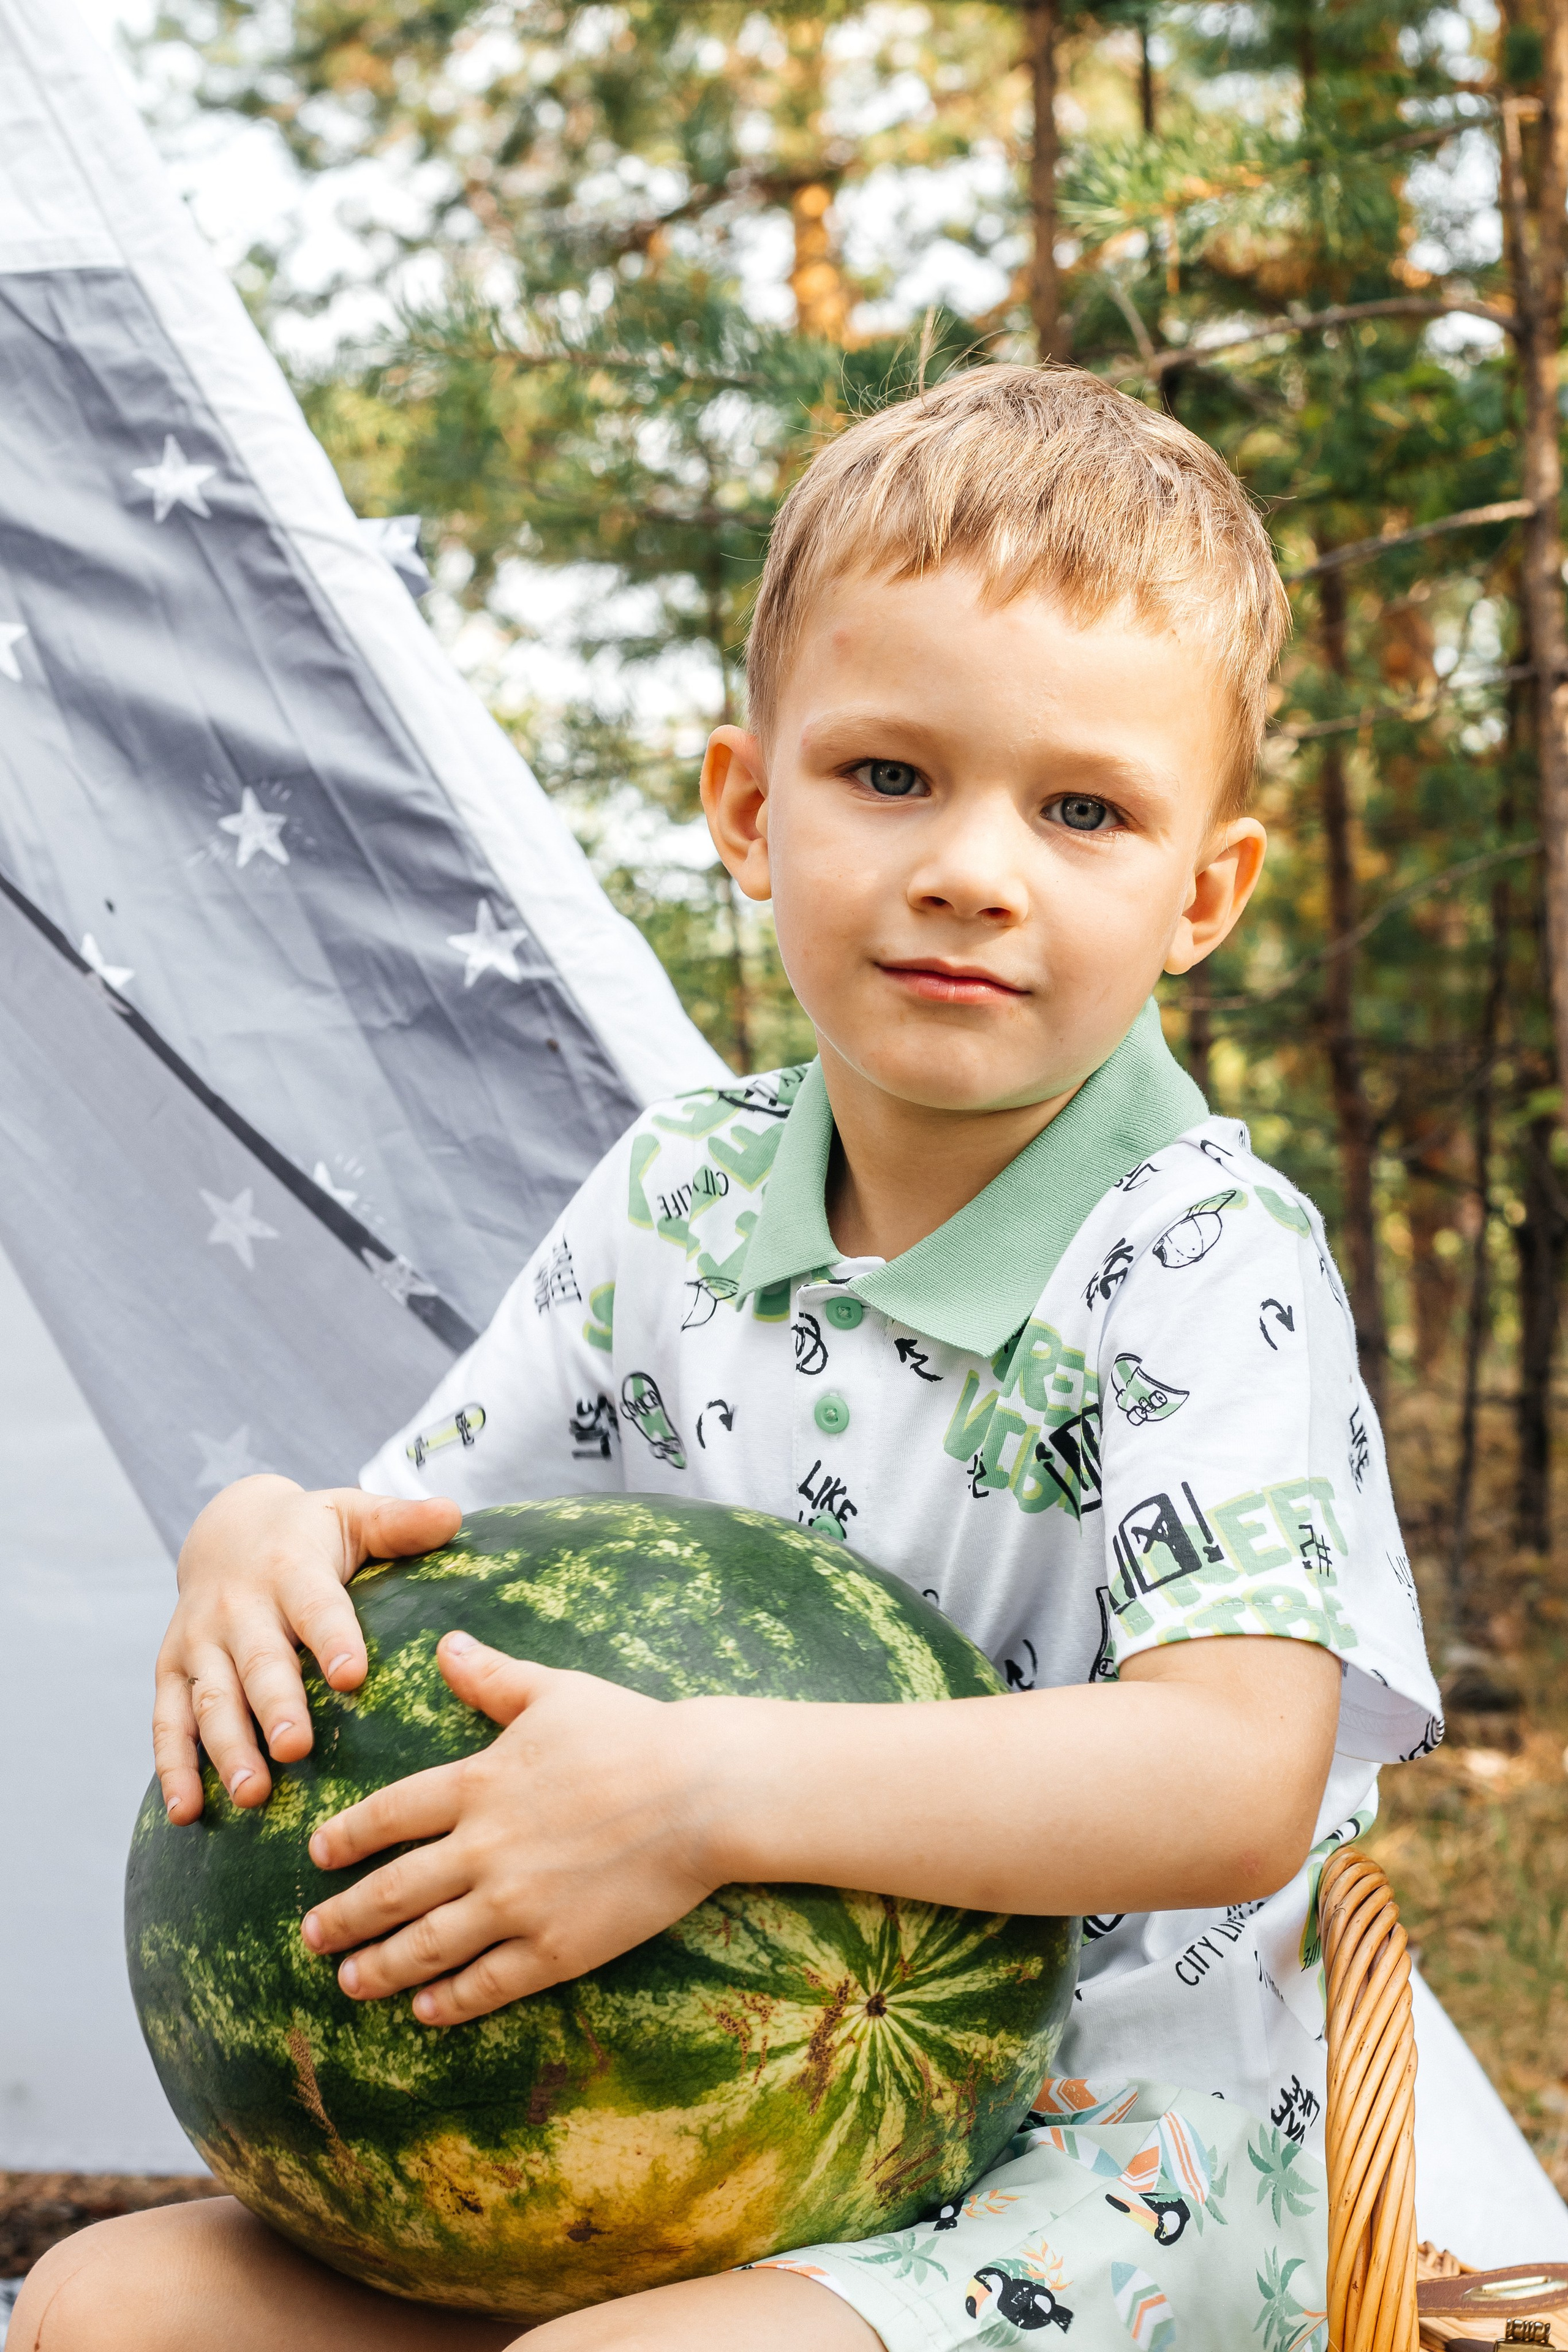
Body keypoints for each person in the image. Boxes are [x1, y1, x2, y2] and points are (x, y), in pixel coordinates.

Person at [13, 364, 1440, 2352]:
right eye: (888, 777)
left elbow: (1226, 1780)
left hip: (1098, 2159)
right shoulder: (680, 1191)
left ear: (1201, 894)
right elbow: (429, 1544)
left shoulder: (1203, 1258)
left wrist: (700, 1793)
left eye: (1085, 809)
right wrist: (264, 1534)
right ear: (748, 813)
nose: (972, 867)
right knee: (109, 2311)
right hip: (676, 2108)